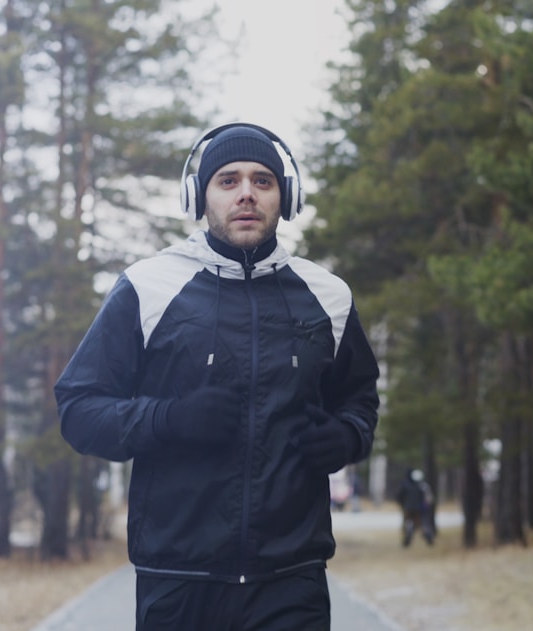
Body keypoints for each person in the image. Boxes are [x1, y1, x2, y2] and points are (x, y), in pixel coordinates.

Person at [54, 122, 381, 630]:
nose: (246, 193)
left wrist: (348, 436)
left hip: (292, 581)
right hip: (177, 582)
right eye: (228, 180)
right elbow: (79, 409)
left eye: (262, 181)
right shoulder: (147, 288)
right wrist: (167, 419)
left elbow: (359, 401)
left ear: (286, 197)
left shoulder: (329, 297)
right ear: (198, 196)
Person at [396, 469, 435, 547]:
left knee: (409, 524)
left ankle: (407, 541)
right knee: (423, 524)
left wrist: (403, 505)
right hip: (419, 510)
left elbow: (399, 497)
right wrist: (426, 506)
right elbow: (429, 499)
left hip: (409, 508)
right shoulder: (423, 486)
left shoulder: (405, 485)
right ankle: (429, 540)